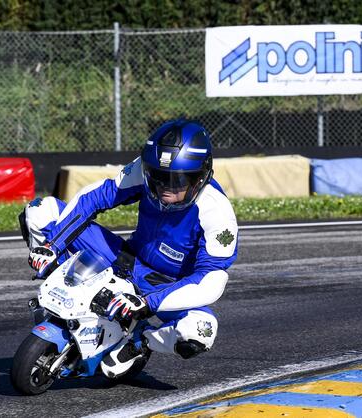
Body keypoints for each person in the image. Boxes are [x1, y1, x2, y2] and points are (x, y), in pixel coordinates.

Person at [19, 119, 238, 374]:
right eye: (158, 177)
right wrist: (53, 246)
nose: (166, 187)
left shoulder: (218, 212)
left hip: (163, 285)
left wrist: (148, 302)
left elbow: (212, 279)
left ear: (200, 177)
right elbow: (97, 196)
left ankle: (140, 342)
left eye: (178, 180)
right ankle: (59, 299)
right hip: (126, 259)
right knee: (40, 211)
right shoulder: (143, 170)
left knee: (201, 331)